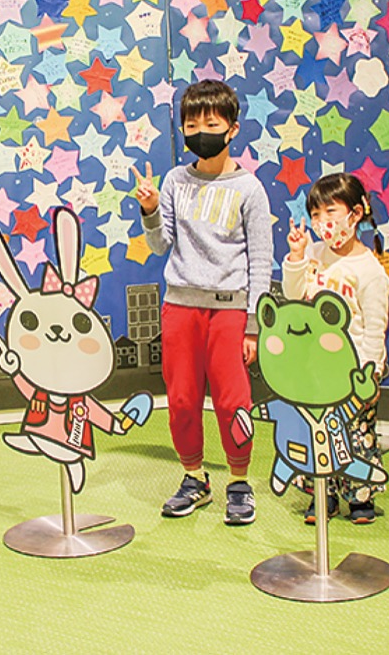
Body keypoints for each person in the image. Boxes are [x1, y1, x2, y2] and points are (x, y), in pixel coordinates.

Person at [133, 79, 272, 526]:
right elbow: (160, 246)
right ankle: (194, 477)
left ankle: (239, 482)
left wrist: (252, 324)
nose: (200, 131)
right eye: (191, 123)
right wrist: (152, 209)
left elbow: (260, 261)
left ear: (232, 128)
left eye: (211, 123)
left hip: (230, 310)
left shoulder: (250, 189)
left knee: (234, 402)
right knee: (183, 399)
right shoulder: (175, 180)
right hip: (180, 307)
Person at [283, 173, 389, 524]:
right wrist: (297, 257)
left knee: (356, 435)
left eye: (331, 211)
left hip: (353, 371)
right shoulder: (313, 253)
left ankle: (359, 497)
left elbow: (375, 328)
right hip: (313, 368)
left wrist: (370, 374)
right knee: (318, 433)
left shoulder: (369, 269)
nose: (322, 222)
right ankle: (321, 495)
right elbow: (293, 296)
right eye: (315, 214)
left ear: (355, 213)